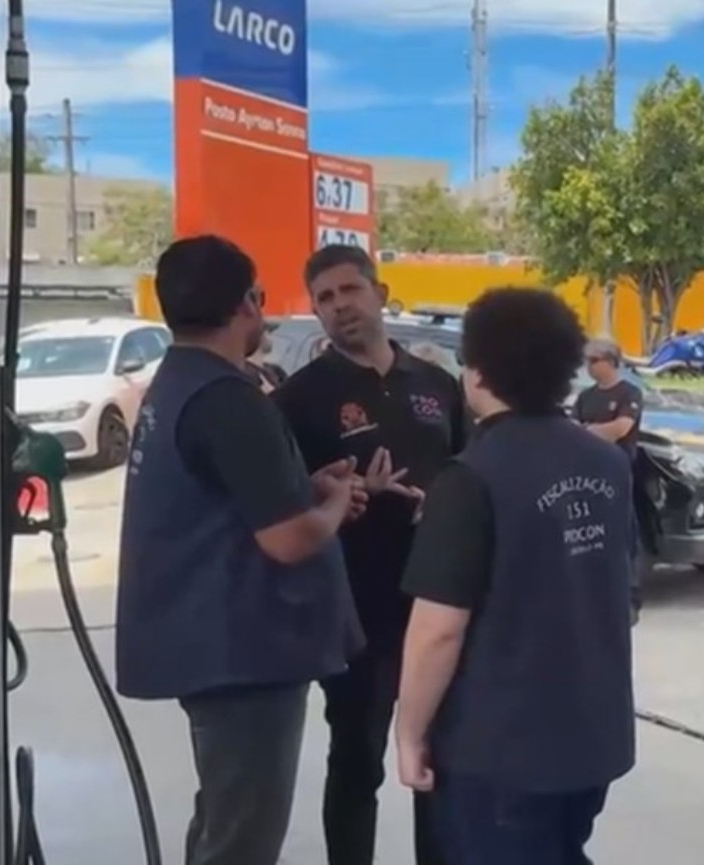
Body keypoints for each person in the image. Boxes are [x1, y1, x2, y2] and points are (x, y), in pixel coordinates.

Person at [114, 235, 365, 865]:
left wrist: (301, 486)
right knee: (242, 839)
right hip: (244, 654)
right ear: (247, 303)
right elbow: (287, 540)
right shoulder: (227, 399)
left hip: (211, 646)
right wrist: (334, 504)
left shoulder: (177, 383)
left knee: (222, 820)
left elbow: (219, 496)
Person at [393, 287, 636, 864]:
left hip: (500, 751)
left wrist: (409, 732)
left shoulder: (471, 477)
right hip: (591, 737)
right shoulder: (606, 462)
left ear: (477, 372)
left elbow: (438, 630)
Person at [271, 245, 465, 865]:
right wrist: (339, 493)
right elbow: (279, 503)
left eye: (349, 290)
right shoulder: (299, 399)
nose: (339, 306)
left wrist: (444, 504)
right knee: (357, 764)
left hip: (438, 606)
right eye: (325, 298)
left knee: (439, 761)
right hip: (356, 615)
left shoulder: (437, 385)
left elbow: (469, 474)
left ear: (380, 294)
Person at [573, 337, 646, 623]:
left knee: (623, 534)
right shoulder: (585, 397)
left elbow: (621, 428)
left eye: (594, 361)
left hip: (617, 472)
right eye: (586, 361)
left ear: (610, 361)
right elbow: (573, 429)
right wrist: (592, 431)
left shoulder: (629, 393)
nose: (589, 367)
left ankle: (629, 599)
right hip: (587, 474)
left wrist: (589, 430)